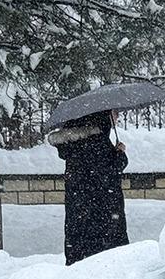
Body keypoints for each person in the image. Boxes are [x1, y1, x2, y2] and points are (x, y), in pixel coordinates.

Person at [47, 110, 129, 265]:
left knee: (81, 246)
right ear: (104, 116)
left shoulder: (73, 143)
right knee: (106, 253)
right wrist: (120, 154)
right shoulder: (98, 141)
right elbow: (109, 172)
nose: (117, 117)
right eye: (114, 113)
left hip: (79, 205)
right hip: (103, 207)